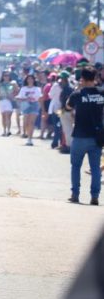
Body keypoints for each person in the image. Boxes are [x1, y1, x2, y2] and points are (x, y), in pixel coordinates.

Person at [65, 67, 104, 205]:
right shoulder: (101, 93)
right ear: (95, 78)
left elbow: (67, 107)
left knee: (76, 166)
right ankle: (95, 196)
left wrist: (77, 88)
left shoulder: (78, 94)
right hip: (97, 136)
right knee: (95, 168)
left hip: (80, 135)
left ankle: (75, 194)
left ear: (82, 78)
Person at [16, 74, 42, 146]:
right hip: (25, 105)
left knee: (32, 122)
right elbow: (20, 97)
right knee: (26, 122)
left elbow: (39, 97)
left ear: (34, 80)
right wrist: (24, 99)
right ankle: (27, 134)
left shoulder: (37, 89)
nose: (30, 80)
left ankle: (30, 138)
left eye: (31, 79)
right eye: (28, 79)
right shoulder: (23, 88)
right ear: (26, 80)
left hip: (34, 105)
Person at [0, 70, 18, 137]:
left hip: (9, 101)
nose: (6, 77)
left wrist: (12, 95)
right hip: (2, 101)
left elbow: (15, 91)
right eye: (5, 75)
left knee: (8, 116)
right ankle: (4, 130)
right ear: (3, 76)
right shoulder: (0, 84)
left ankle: (8, 130)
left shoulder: (12, 84)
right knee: (3, 116)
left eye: (7, 75)